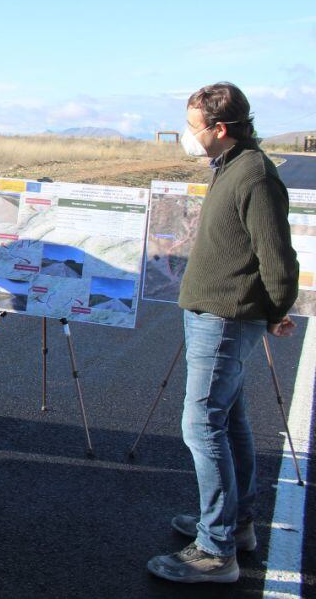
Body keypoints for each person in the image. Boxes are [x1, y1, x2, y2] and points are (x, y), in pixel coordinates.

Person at [147, 82, 299, 584]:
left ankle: (215, 550)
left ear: (220, 127)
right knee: (228, 422)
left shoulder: (255, 174)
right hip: (212, 315)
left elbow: (278, 256)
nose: (189, 137)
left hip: (227, 318)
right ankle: (234, 525)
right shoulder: (231, 167)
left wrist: (278, 308)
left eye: (193, 128)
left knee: (201, 426)